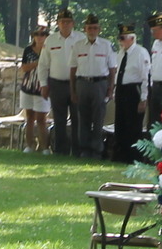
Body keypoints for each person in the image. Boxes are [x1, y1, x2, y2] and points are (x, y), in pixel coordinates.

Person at [73, 15, 116, 160]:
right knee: (83, 118)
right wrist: (72, 90)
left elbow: (112, 69)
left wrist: (110, 88)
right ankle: (84, 150)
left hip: (100, 84)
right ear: (85, 29)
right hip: (82, 83)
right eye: (89, 28)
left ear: (99, 29)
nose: (92, 30)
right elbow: (73, 68)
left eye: (95, 28)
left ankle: (97, 151)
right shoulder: (78, 45)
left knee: (98, 119)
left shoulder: (106, 45)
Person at [41, 9, 82, 155]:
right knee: (59, 120)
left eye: (68, 22)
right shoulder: (50, 40)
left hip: (77, 84)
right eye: (62, 22)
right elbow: (43, 64)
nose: (65, 24)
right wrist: (43, 84)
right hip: (56, 83)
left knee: (78, 118)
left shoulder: (81, 38)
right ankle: (60, 151)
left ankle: (78, 151)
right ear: (58, 23)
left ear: (73, 23)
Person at [109, 23, 148, 160]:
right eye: (119, 38)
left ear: (131, 38)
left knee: (133, 125)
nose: (120, 41)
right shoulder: (120, 53)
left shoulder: (141, 53)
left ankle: (133, 156)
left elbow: (145, 77)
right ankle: (120, 154)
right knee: (120, 123)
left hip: (133, 91)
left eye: (123, 38)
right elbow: (118, 73)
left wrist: (143, 98)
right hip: (121, 90)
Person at [20, 27, 51, 153]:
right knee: (30, 117)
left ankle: (44, 146)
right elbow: (24, 67)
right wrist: (38, 63)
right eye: (36, 34)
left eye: (43, 34)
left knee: (42, 119)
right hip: (28, 87)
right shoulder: (28, 50)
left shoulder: (49, 50)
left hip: (43, 87)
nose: (40, 37)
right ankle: (29, 145)